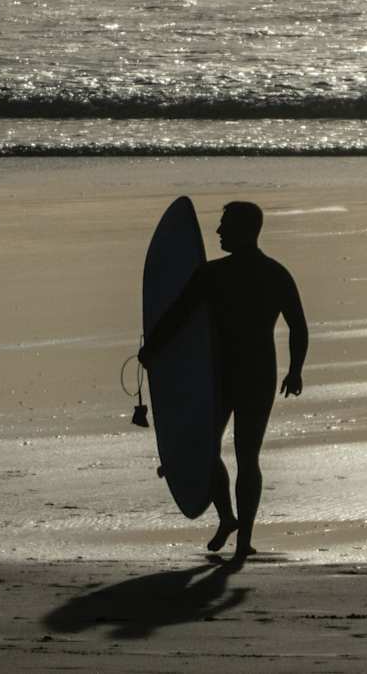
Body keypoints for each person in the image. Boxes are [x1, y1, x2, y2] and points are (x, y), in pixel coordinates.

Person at [139, 201, 307, 562]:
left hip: (220, 374)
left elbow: (176, 318)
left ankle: (236, 527)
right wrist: (295, 370)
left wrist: (151, 349)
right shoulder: (276, 273)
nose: (218, 232)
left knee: (215, 450)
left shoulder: (213, 275)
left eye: (224, 225)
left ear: (245, 229)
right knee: (244, 456)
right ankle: (236, 529)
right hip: (257, 372)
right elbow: (298, 327)